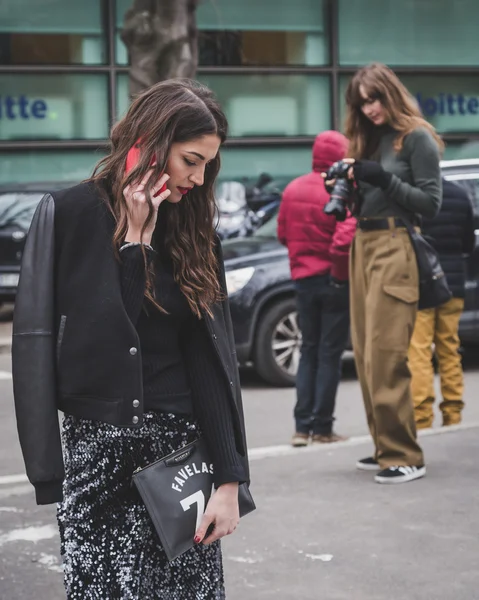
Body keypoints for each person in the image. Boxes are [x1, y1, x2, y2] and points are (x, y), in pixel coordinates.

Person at [12, 79, 251, 599]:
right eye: (191, 159)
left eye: (209, 163)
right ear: (151, 142)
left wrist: (230, 482)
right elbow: (61, 341)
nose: (199, 176)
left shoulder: (193, 227)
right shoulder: (68, 214)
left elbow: (210, 360)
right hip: (96, 455)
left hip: (179, 457)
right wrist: (135, 244)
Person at [325, 62, 444, 484]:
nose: (370, 109)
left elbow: (430, 204)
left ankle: (404, 454)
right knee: (367, 357)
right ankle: (385, 448)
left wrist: (382, 179)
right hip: (364, 244)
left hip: (396, 246)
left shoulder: (417, 139)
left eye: (374, 99)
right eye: (362, 103)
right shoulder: (369, 140)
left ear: (390, 94)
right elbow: (370, 199)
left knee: (387, 355)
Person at [278, 131, 356, 447]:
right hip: (334, 281)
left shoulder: (292, 189)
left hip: (303, 280)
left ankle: (301, 427)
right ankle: (323, 428)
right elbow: (345, 239)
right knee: (329, 354)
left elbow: (283, 234)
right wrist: (339, 274)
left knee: (308, 350)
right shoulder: (342, 190)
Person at [409, 178, 475, 429]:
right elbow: (468, 243)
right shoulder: (459, 195)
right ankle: (453, 414)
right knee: (450, 349)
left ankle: (422, 417)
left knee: (420, 351)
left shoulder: (412, 197)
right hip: (453, 285)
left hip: (423, 284)